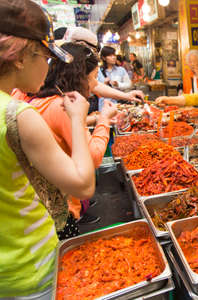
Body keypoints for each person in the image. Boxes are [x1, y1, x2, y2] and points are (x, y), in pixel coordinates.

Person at [0, 0, 95, 298]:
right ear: (20, 57)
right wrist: (78, 119)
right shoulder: (17, 116)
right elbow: (83, 184)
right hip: (32, 266)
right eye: (45, 56)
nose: (48, 66)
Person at [24, 43, 118, 237]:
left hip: (43, 208)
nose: (94, 85)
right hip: (59, 209)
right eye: (92, 78)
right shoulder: (62, 107)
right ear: (79, 77)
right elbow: (93, 158)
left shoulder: (43, 99)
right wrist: (104, 120)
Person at [97, 46, 132, 110]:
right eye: (110, 56)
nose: (113, 57)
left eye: (114, 55)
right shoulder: (98, 71)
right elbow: (94, 88)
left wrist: (118, 84)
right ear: (104, 58)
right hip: (104, 105)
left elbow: (128, 84)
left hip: (119, 104)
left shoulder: (121, 70)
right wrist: (104, 84)